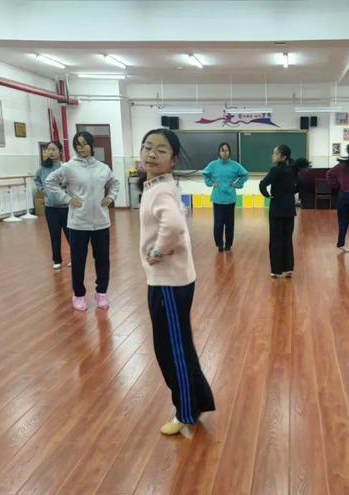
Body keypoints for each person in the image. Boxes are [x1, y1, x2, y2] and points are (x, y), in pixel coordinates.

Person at [139, 128, 215, 435]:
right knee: (177, 344)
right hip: (170, 280)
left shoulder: (160, 190)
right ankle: (196, 400)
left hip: (169, 283)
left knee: (172, 349)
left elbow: (173, 224)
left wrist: (158, 252)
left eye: (161, 150)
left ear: (172, 160)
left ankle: (185, 411)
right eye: (147, 147)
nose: (151, 154)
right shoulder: (158, 186)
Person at [45, 131, 119, 311]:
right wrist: (67, 199)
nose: (81, 148)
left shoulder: (103, 168)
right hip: (78, 222)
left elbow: (115, 183)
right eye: (78, 145)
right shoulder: (69, 167)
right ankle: (78, 294)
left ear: (92, 145)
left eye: (85, 144)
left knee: (102, 259)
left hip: (101, 222)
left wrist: (110, 197)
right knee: (78, 261)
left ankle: (101, 292)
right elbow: (50, 182)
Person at [259, 145, 309, 278]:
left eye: (275, 153)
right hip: (289, 210)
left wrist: (268, 195)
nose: (273, 155)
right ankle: (288, 269)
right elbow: (301, 185)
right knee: (287, 239)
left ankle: (276, 270)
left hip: (276, 210)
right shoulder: (293, 170)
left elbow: (262, 184)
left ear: (283, 157)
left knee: (275, 240)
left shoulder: (275, 170)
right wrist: (291, 192)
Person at [201, 143, 249, 252]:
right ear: (219, 152)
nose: (225, 153)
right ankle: (219, 244)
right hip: (218, 199)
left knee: (229, 224)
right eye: (222, 150)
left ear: (229, 152)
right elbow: (205, 174)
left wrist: (237, 184)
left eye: (226, 150)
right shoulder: (213, 165)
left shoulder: (235, 165)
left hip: (230, 199)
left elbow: (245, 174)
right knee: (218, 224)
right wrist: (211, 183)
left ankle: (228, 244)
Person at [34, 140, 70, 269]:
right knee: (54, 235)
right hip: (51, 208)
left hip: (66, 207)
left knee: (70, 234)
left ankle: (74, 257)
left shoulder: (65, 167)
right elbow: (36, 179)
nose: (51, 152)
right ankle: (57, 260)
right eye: (48, 149)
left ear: (60, 151)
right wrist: (43, 189)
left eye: (53, 149)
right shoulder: (42, 168)